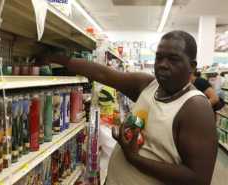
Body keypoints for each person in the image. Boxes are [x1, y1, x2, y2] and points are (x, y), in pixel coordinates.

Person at [46, 30, 217, 185]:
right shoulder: (148, 85)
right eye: (159, 57)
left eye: (173, 59)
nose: (163, 64)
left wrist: (134, 158)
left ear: (192, 67)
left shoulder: (196, 109)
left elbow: (198, 179)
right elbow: (103, 74)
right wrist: (59, 60)